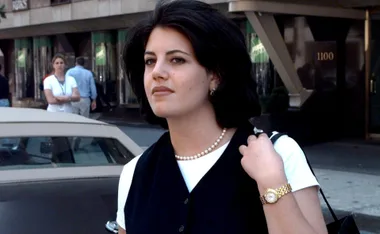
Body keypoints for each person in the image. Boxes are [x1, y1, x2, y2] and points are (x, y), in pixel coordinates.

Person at [116, 1, 327, 234]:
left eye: (177, 59)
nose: (157, 72)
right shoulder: (135, 173)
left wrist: (272, 184)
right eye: (150, 61)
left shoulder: (279, 155)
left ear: (216, 75)